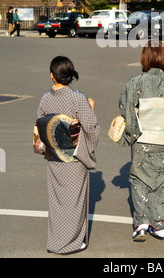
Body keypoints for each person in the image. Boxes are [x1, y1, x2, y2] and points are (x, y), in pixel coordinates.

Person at [119, 40, 164, 242]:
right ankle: (159, 226)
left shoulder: (135, 82)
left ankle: (141, 223)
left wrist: (132, 133)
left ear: (144, 59)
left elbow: (125, 106)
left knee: (139, 178)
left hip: (142, 138)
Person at [37, 56, 99, 255]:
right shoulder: (77, 97)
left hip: (55, 158)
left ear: (52, 76)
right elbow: (91, 127)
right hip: (74, 158)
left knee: (57, 202)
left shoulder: (45, 98)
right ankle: (72, 243)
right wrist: (90, 107)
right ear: (70, 76)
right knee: (74, 202)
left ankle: (55, 242)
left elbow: (40, 125)